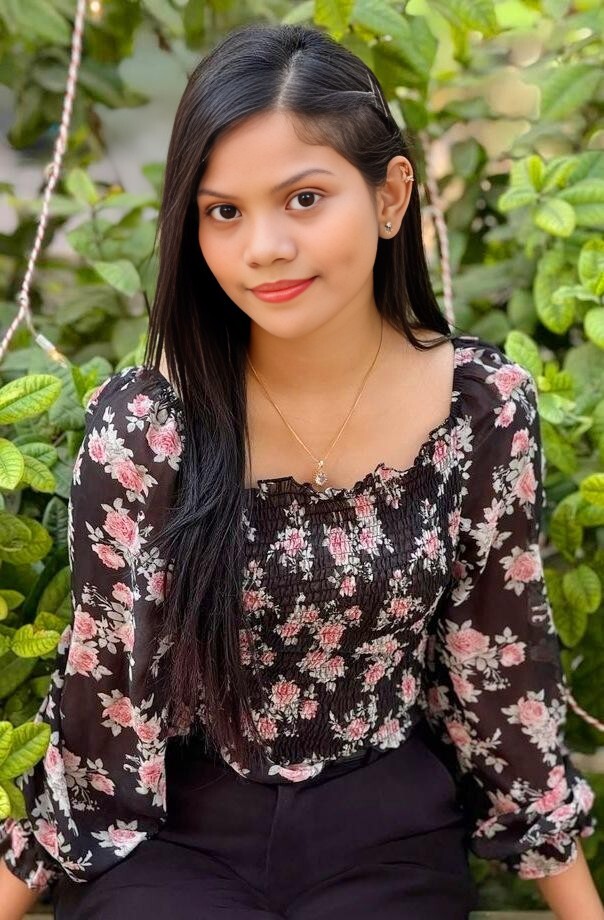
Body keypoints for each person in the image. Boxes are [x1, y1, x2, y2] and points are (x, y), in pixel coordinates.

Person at [0, 21, 602, 920]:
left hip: (386, 828)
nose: (264, 248)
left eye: (305, 198)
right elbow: (103, 696)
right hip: (174, 835)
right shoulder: (148, 426)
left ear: (390, 197)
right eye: (224, 211)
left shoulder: (480, 408)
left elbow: (498, 671)